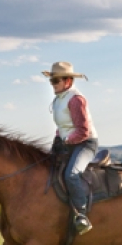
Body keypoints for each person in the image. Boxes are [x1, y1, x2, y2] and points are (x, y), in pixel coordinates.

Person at [42, 61, 98, 235]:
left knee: (71, 174)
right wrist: (57, 141)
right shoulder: (58, 100)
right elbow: (62, 126)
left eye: (55, 81)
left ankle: (81, 215)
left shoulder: (76, 100)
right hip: (68, 143)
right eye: (51, 81)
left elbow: (82, 131)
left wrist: (66, 141)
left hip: (85, 144)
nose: (52, 85)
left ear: (68, 81)